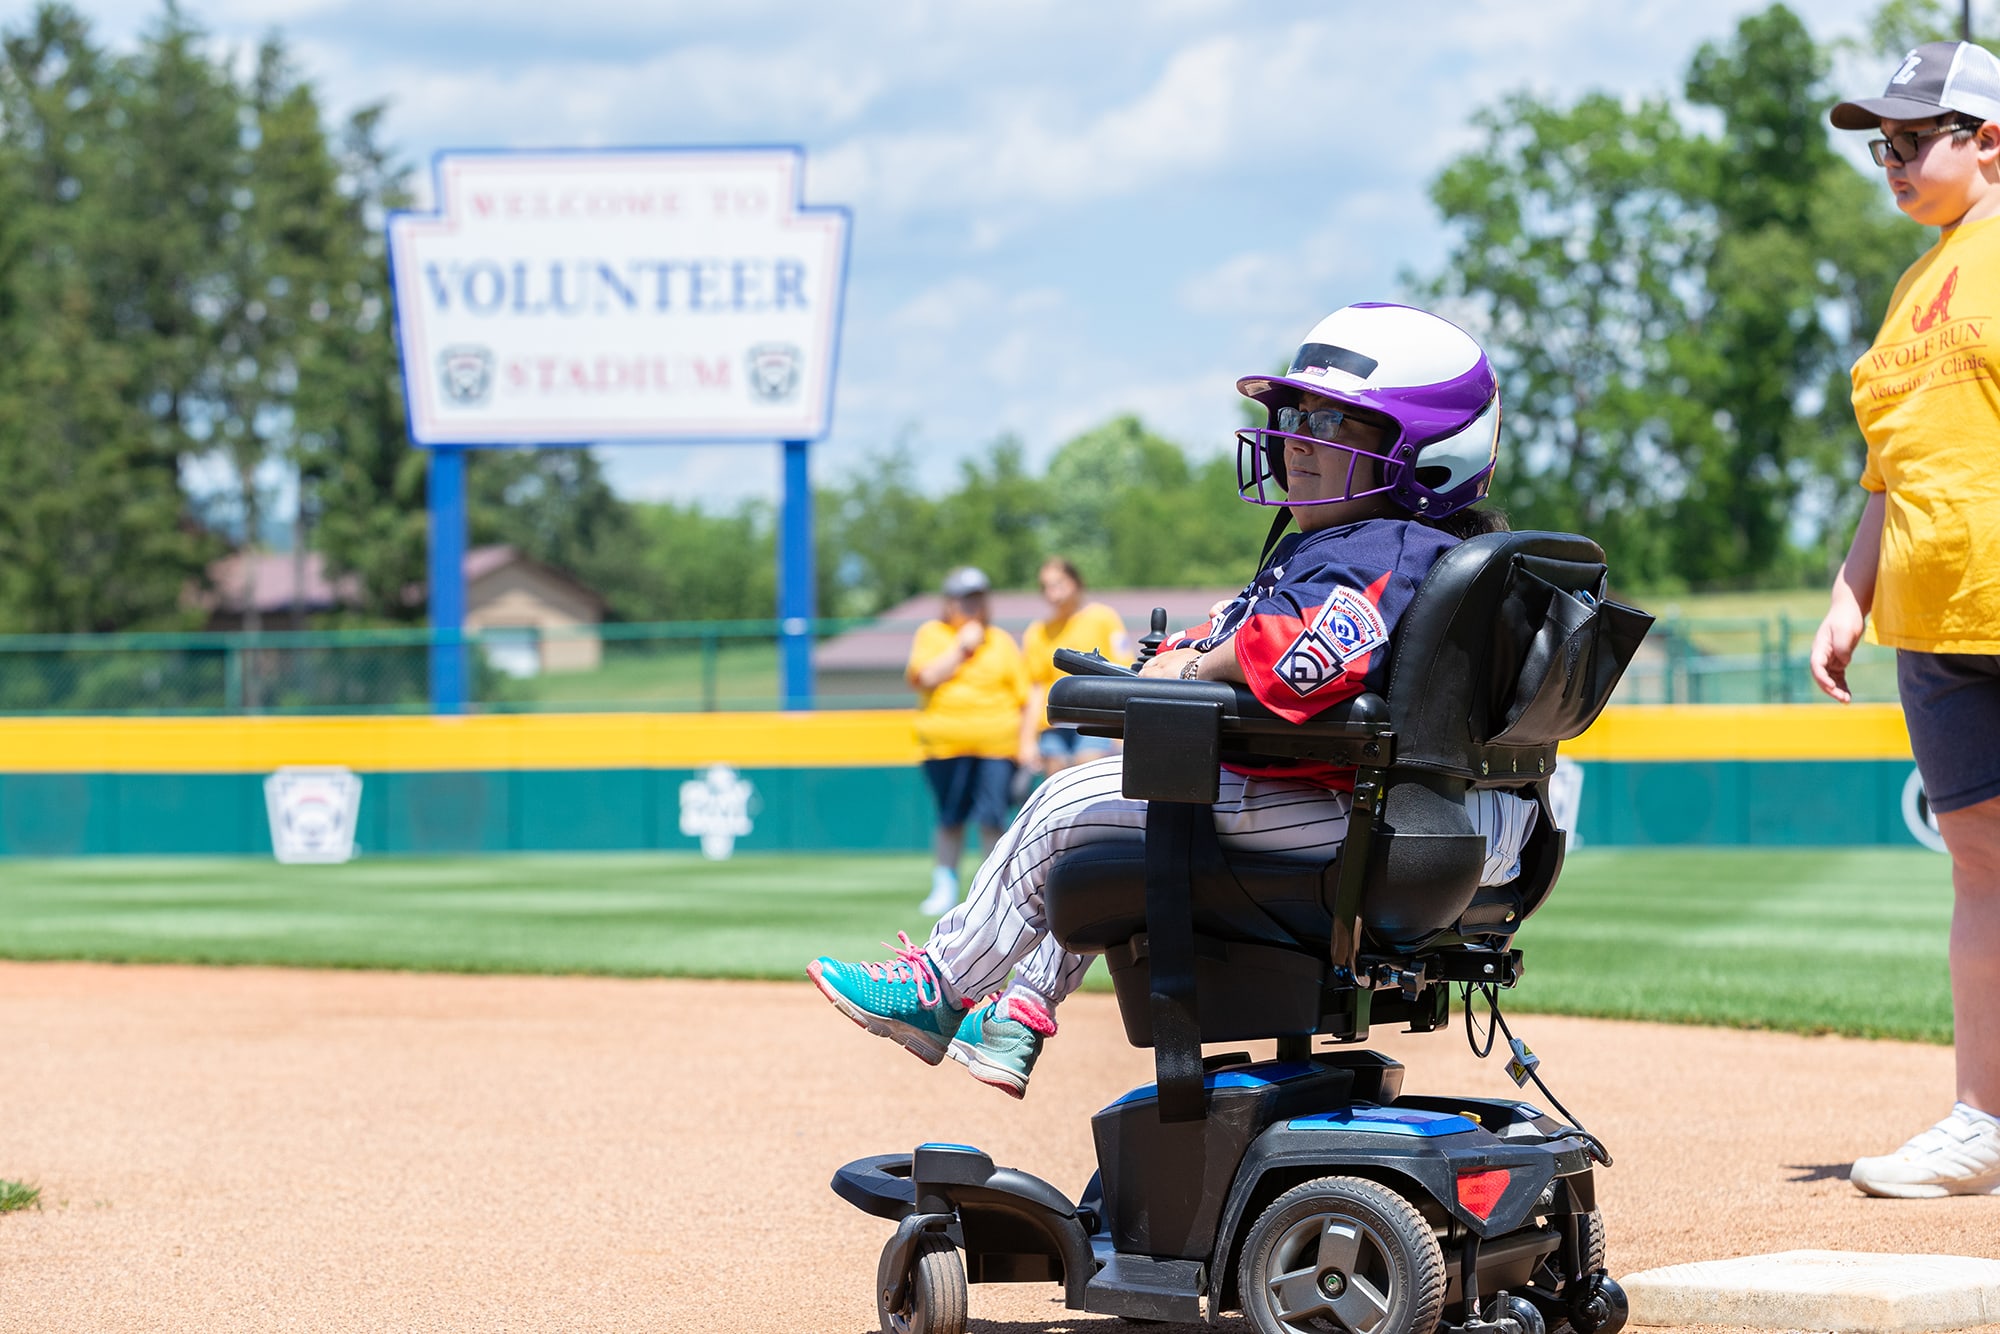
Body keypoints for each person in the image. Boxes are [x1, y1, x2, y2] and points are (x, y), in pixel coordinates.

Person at [811, 302, 1541, 1099]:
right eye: (1295, 414)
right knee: (1124, 811)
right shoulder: (1385, 548)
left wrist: (1196, 672)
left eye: (1334, 421)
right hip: (1436, 814)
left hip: (1377, 816)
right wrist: (1178, 657)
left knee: (1071, 801)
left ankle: (940, 987)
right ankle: (1020, 1010)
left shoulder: (1383, 546)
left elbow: (1304, 661)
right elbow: (1250, 628)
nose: (1296, 438)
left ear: (1424, 454)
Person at [1812, 40, 2000, 1199]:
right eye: (1877, 143)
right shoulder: (1911, 284)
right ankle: (1980, 1117)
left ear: (1988, 140)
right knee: (1977, 864)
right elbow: (1890, 471)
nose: (1888, 159)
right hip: (1932, 623)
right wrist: (1848, 594)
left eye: (1910, 137)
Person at [908, 566, 1030, 916]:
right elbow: (925, 676)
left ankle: (991, 890)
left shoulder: (1001, 641)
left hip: (997, 745)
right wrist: (961, 647)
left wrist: (1025, 747)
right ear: (948, 602)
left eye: (978, 598)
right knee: (950, 818)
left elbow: (1023, 698)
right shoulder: (933, 634)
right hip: (945, 745)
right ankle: (944, 885)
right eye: (965, 599)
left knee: (993, 818)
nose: (973, 606)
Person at [1018, 559, 1129, 778]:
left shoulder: (1103, 618)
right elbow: (1035, 688)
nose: (1053, 593)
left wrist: (1122, 728)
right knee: (1056, 782)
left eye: (1059, 584)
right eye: (1046, 587)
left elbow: (1122, 669)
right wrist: (1027, 740)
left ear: (1076, 582)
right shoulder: (1038, 632)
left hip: (1096, 717)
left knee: (1088, 775)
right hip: (1054, 723)